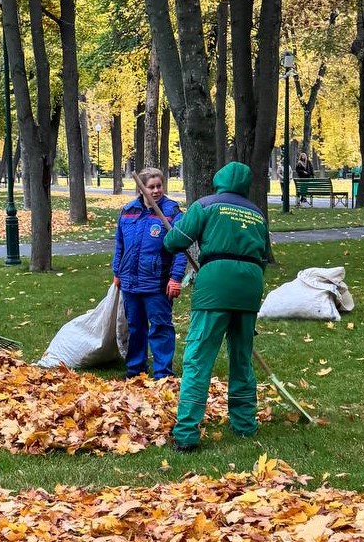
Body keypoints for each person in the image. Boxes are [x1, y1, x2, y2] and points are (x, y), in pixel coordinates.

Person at [162, 161, 271, 452]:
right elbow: (263, 256)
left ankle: (186, 433)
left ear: (219, 180)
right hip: (249, 286)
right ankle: (245, 423)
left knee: (198, 358)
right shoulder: (257, 213)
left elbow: (175, 240)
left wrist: (174, 232)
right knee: (242, 356)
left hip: (214, 285)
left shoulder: (205, 205)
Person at [113, 167, 186, 379]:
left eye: (159, 186)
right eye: (151, 186)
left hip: (157, 282)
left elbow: (180, 250)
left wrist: (175, 278)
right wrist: (117, 272)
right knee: (135, 327)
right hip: (130, 282)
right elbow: (120, 245)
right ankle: (136, 370)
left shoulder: (171, 213)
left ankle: (163, 373)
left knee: (161, 327)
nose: (156, 191)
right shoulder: (128, 211)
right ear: (141, 187)